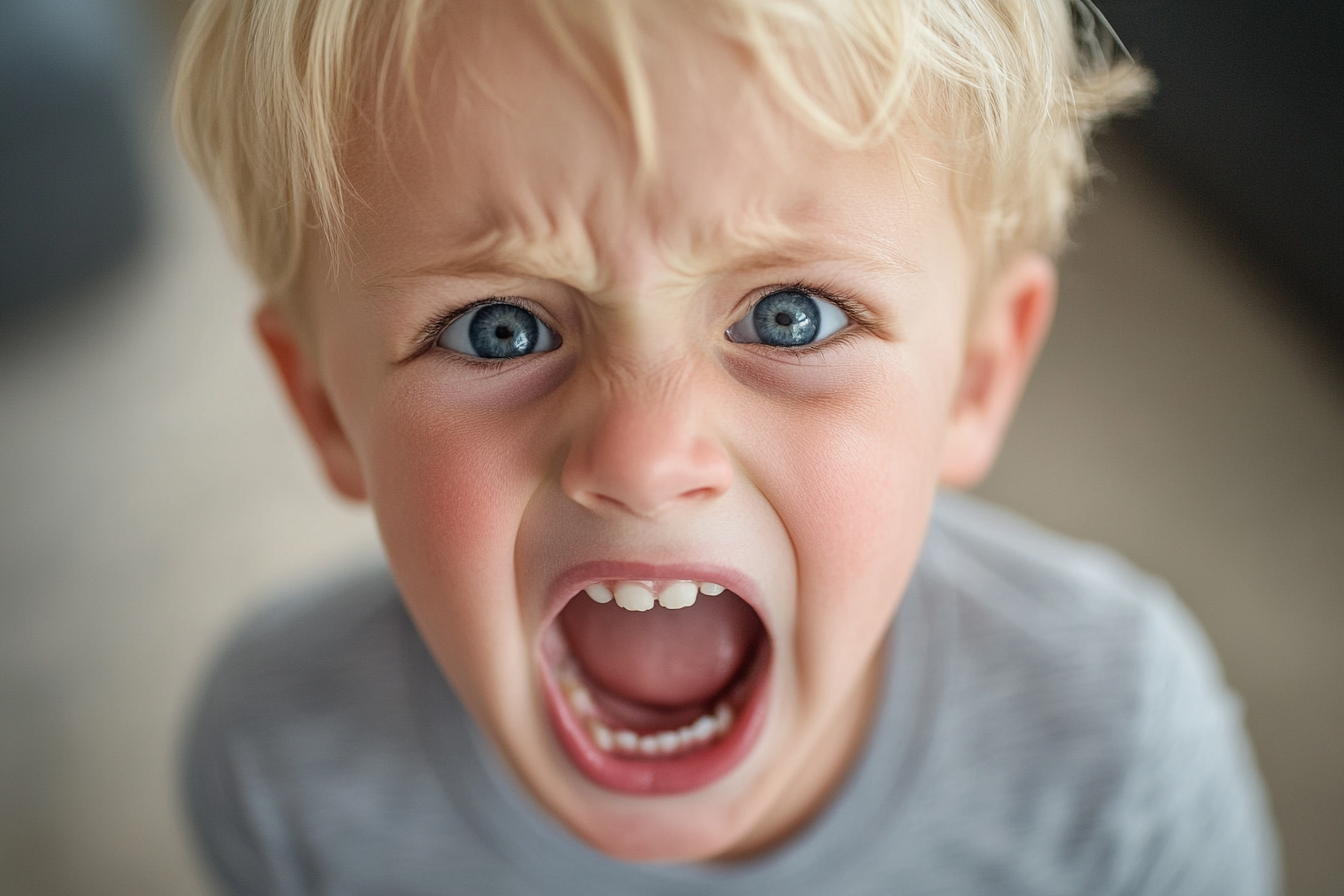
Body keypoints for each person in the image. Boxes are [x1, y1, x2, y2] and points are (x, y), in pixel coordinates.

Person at [172, 1, 1279, 892]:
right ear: (324, 407)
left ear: (977, 378)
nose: (646, 460)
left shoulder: (1118, 746)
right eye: (497, 328)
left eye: (790, 314)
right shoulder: (281, 764)